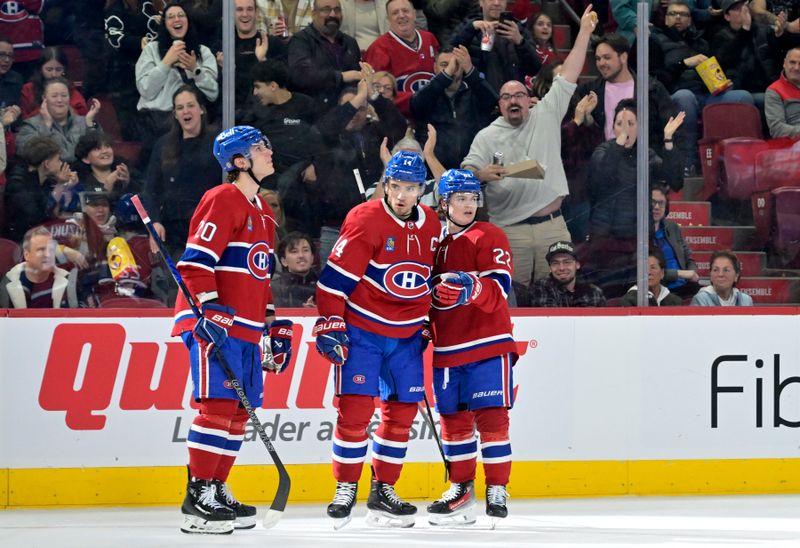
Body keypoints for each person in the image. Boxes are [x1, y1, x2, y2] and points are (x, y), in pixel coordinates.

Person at [173, 125, 294, 534]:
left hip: (244, 328)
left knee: (240, 411)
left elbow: (259, 273)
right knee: (218, 408)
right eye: (261, 148)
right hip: (213, 323)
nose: (269, 152)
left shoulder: (262, 208)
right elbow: (194, 263)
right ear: (240, 161)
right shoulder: (222, 198)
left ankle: (217, 486)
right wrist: (209, 310)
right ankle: (197, 499)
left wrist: (271, 323)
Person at [314, 150, 440, 529]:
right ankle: (345, 488)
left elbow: (429, 281)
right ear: (385, 186)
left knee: (400, 415)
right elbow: (332, 283)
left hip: (406, 338)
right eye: (396, 186)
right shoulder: (365, 219)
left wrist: (430, 320)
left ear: (422, 190)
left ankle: (383, 490)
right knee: (354, 412)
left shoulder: (433, 224)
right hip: (364, 333)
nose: (402, 195)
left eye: (411, 187)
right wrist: (331, 322)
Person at [461, 6, 597, 286]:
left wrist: (583, 31)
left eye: (519, 95)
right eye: (506, 97)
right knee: (513, 296)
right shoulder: (486, 136)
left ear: (529, 98)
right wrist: (480, 175)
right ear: (499, 105)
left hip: (552, 225)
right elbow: (466, 176)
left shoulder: (546, 114)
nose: (513, 100)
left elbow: (569, 72)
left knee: (561, 297)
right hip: (510, 231)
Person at [425, 169, 517, 526]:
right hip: (447, 349)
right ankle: (461, 489)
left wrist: (470, 286)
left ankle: (497, 487)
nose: (468, 205)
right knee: (454, 422)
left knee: (493, 418)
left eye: (472, 198)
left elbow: (500, 288)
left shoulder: (488, 234)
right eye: (460, 198)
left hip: (487, 344)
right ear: (444, 203)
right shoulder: (434, 244)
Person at [584, 99, 684, 296]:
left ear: (640, 128)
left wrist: (668, 140)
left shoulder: (646, 155)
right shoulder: (603, 151)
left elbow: (675, 180)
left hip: (638, 241)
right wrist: (619, 145)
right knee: (608, 296)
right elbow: (600, 178)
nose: (625, 130)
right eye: (620, 124)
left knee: (637, 296)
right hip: (605, 242)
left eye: (631, 124)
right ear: (612, 127)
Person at [648, 1, 755, 174]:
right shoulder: (656, 40)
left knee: (743, 97)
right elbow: (657, 77)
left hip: (706, 95)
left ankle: (738, 162)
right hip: (674, 94)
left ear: (690, 20)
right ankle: (687, 162)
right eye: (673, 13)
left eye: (683, 14)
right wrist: (683, 63)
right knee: (685, 96)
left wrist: (722, 84)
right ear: (665, 18)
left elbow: (716, 69)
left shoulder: (702, 42)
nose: (678, 18)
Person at [313, 72, 407, 262]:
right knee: (333, 288)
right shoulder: (328, 137)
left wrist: (373, 95)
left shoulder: (377, 133)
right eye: (350, 107)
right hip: (336, 226)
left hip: (375, 224)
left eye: (360, 108)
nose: (355, 114)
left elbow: (398, 126)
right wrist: (358, 99)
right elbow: (325, 127)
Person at [142, 85, 219, 264]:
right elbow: (152, 189)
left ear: (201, 109)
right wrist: (155, 221)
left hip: (210, 229)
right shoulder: (163, 145)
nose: (186, 111)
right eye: (180, 107)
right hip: (175, 232)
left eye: (190, 105)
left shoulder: (218, 142)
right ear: (175, 114)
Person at [134, 1, 218, 143]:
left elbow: (213, 94)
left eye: (181, 15)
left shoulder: (203, 52)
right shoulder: (151, 50)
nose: (177, 19)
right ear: (165, 24)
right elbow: (146, 90)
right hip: (157, 122)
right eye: (171, 17)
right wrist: (166, 63)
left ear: (188, 21)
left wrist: (195, 69)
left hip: (193, 120)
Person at [410, 45, 498, 171]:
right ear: (435, 68)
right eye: (444, 64)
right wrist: (446, 75)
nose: (451, 69)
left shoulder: (475, 94)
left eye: (456, 64)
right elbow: (416, 105)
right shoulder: (427, 95)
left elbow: (494, 103)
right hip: (433, 172)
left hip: (473, 170)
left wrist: (470, 70)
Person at [363, 0, 439, 115]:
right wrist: (415, 100)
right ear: (388, 19)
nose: (401, 15)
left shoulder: (429, 38)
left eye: (405, 11)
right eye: (395, 13)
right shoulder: (378, 48)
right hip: (401, 117)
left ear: (414, 14)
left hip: (436, 111)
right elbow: (375, 91)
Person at [450, 0, 542, 92]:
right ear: (481, 2)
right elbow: (449, 54)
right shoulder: (468, 27)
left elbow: (534, 68)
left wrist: (520, 42)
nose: (496, 3)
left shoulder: (519, 30)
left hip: (511, 98)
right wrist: (471, 29)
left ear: (506, 3)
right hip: (476, 98)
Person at [104, 0, 164, 141]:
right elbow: (114, 37)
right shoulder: (115, 8)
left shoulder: (150, 5)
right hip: (123, 74)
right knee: (131, 124)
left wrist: (162, 24)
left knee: (152, 121)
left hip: (149, 68)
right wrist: (138, 42)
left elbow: (158, 31)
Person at [287, 0, 362, 111]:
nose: (333, 14)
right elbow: (301, 75)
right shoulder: (301, 41)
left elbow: (357, 80)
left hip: (350, 108)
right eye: (326, 10)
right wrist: (342, 77)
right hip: (312, 111)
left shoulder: (350, 42)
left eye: (337, 10)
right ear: (314, 14)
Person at [214, 0, 288, 113]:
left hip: (269, 115)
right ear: (231, 13)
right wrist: (225, 70)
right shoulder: (222, 47)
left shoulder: (273, 44)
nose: (245, 14)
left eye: (249, 9)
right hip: (232, 115)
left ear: (256, 13)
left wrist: (263, 61)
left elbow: (283, 86)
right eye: (239, 9)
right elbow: (216, 94)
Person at [711, 0, 786, 112]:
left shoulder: (763, 31)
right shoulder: (720, 36)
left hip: (769, 86)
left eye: (745, 6)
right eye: (737, 8)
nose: (743, 10)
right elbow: (724, 61)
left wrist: (779, 37)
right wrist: (744, 30)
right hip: (740, 90)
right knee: (767, 100)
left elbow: (779, 58)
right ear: (727, 17)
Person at [4, 136, 79, 242]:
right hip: (23, 241)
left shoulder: (46, 180)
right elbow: (37, 217)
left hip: (44, 234)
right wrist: (60, 186)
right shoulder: (17, 183)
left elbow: (54, 214)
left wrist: (65, 186)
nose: (61, 163)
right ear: (47, 164)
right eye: (58, 159)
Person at [16, 77, 101, 163]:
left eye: (64, 95)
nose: (60, 100)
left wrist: (90, 124)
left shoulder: (85, 122)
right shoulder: (30, 125)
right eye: (54, 96)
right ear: (44, 99)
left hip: (85, 173)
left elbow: (101, 149)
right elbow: (28, 154)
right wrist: (46, 127)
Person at [0, 226, 77, 308]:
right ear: (27, 255)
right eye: (41, 249)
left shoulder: (69, 282)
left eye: (51, 249)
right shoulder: (6, 284)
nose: (48, 254)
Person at [650, 183, 700, 296]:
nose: (657, 207)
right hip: (660, 289)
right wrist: (682, 274)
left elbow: (688, 256)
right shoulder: (640, 233)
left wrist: (692, 272)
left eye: (661, 203)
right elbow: (651, 272)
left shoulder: (672, 227)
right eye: (653, 202)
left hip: (685, 285)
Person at [529, 240, 607, 307]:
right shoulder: (540, 288)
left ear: (577, 265)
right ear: (550, 268)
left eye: (567, 262)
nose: (561, 268)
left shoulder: (594, 292)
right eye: (555, 263)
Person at [19, 46, 88, 120]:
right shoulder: (28, 89)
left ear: (64, 70)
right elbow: (23, 120)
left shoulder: (71, 90)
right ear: (40, 69)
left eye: (58, 69)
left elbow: (83, 118)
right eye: (49, 70)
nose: (54, 74)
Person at [73, 130, 138, 204]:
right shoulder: (82, 181)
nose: (104, 151)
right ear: (86, 159)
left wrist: (128, 184)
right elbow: (92, 209)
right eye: (97, 149)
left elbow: (142, 208)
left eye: (107, 146)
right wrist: (107, 188)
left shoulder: (127, 171)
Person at [620, 249, 685, 306]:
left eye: (653, 268)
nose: (648, 272)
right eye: (644, 268)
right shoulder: (630, 300)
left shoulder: (675, 301)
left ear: (662, 273)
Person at [271, 231, 318, 307]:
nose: (301, 255)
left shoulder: (324, 286)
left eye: (305, 250)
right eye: (294, 251)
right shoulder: (273, 288)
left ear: (312, 257)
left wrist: (318, 312)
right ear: (284, 261)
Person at [765, 47, 800, 137]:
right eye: (792, 62)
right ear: (784, 63)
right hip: (793, 144)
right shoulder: (774, 91)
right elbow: (777, 129)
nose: (796, 68)